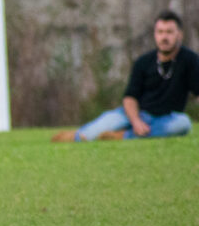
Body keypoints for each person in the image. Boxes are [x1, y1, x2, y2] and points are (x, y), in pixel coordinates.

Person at [55, 11, 197, 141]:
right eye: (160, 32)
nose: (164, 37)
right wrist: (136, 121)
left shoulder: (190, 60)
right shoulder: (143, 61)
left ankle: (122, 135)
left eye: (169, 32)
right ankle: (77, 136)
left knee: (183, 124)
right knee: (89, 134)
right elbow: (130, 98)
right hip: (134, 114)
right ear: (155, 34)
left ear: (179, 34)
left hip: (166, 118)